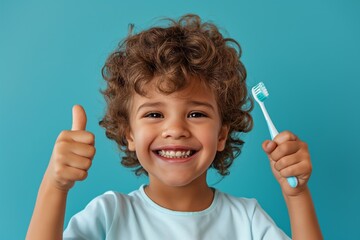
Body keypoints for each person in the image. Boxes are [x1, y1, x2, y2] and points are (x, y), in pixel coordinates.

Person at [26, 14, 322, 239]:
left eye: (196, 114)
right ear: (129, 133)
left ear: (221, 134)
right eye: (154, 114)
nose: (175, 129)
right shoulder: (109, 214)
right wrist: (55, 186)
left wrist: (297, 197)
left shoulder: (247, 220)